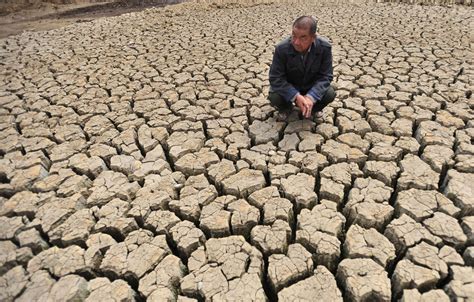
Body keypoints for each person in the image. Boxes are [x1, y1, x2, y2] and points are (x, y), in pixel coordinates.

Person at [268, 15, 336, 120]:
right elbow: (275, 78)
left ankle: (313, 109)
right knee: (274, 96)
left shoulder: (324, 48)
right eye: (294, 36)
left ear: (313, 37)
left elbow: (326, 76)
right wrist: (295, 96)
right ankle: (286, 108)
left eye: (303, 37)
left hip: (311, 87)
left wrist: (311, 96)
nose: (296, 42)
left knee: (329, 93)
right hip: (291, 87)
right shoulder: (282, 49)